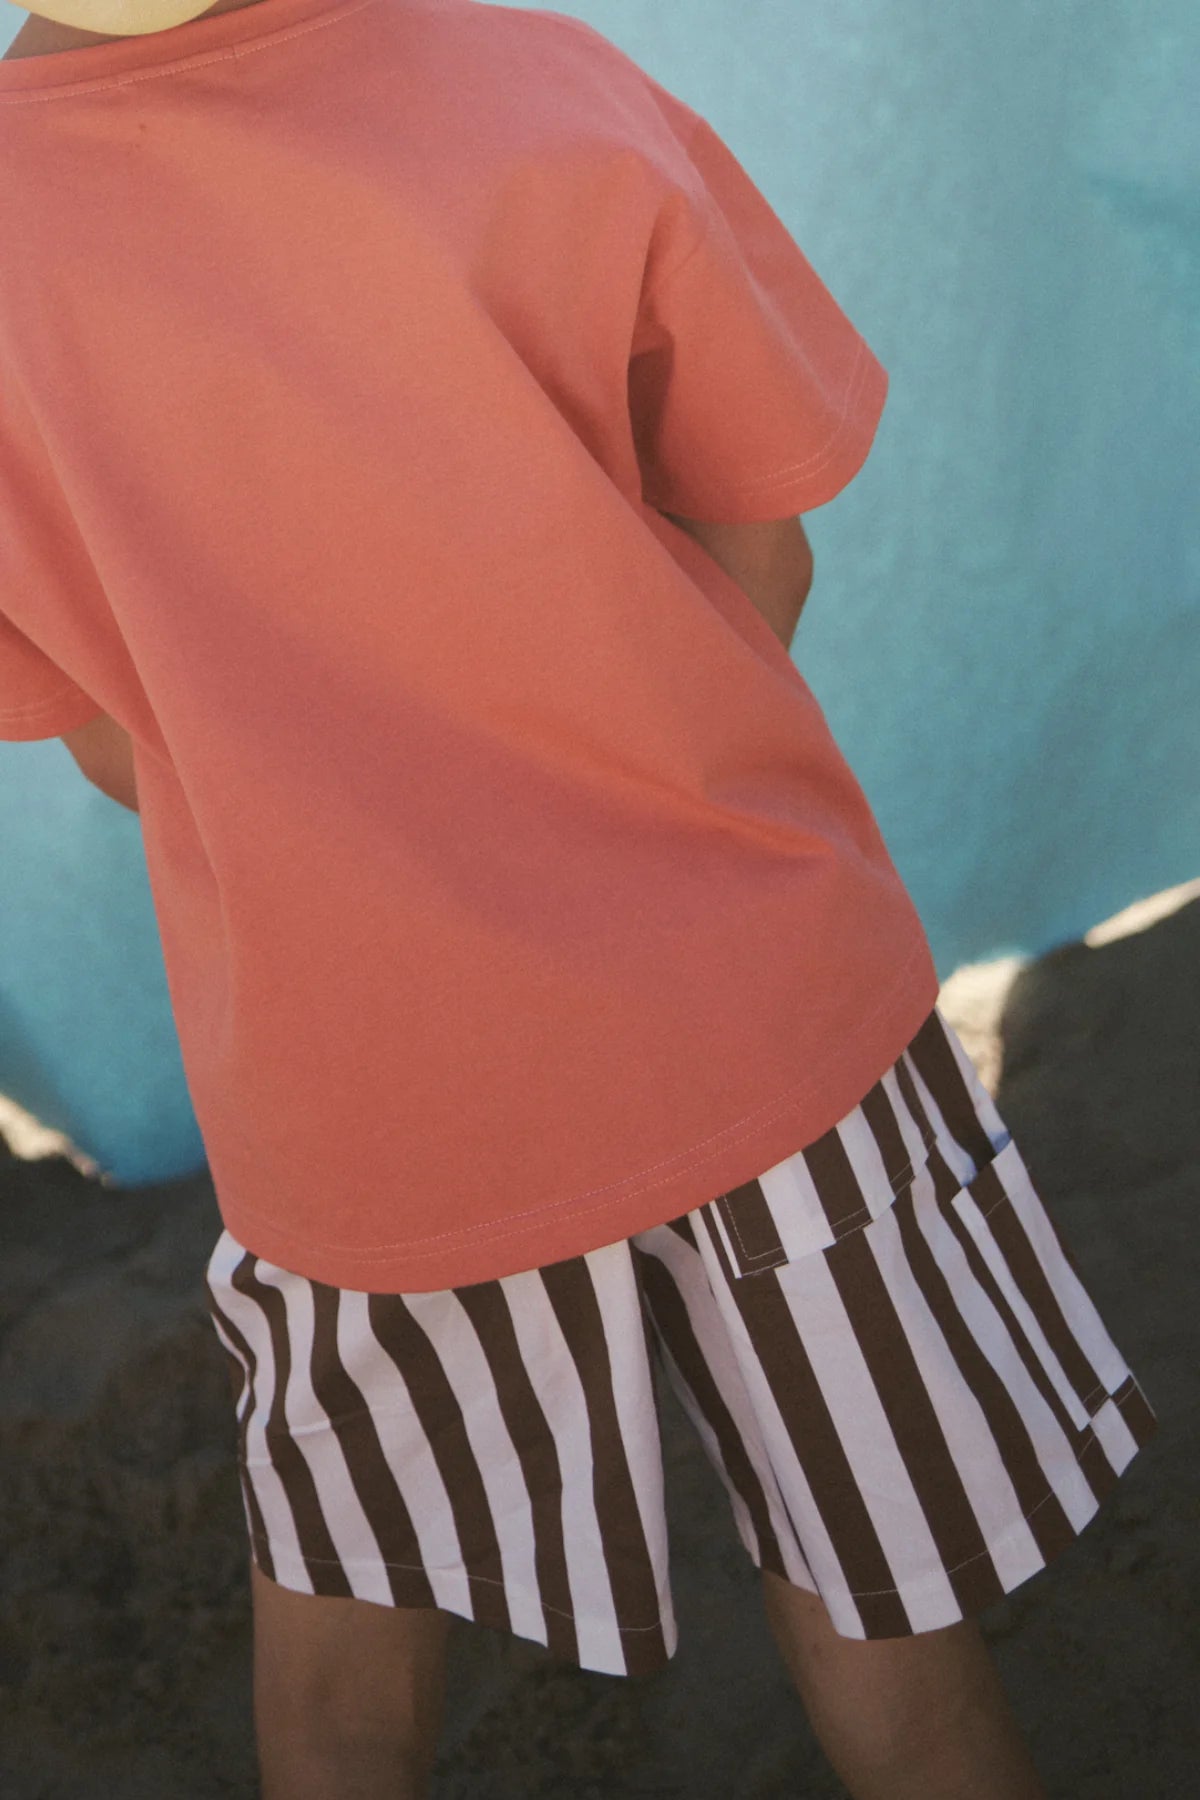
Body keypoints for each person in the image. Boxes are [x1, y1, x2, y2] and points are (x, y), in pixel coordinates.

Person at [0, 3, 1158, 1795]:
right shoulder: (522, 68)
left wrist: (351, 847)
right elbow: (766, 546)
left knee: (339, 1697)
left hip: (368, 1105)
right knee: (899, 1658)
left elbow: (107, 747)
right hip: (760, 1018)